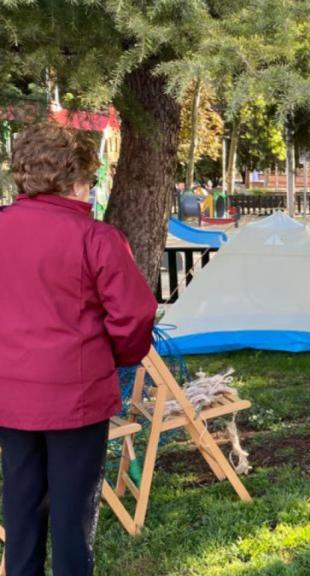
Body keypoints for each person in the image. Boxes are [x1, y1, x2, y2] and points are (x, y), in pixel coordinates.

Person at [0, 123, 157, 576]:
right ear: (73, 178)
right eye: (88, 179)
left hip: (12, 397)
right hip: (76, 396)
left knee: (21, 508)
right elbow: (135, 315)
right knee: (72, 516)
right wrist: (120, 357)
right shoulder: (95, 238)